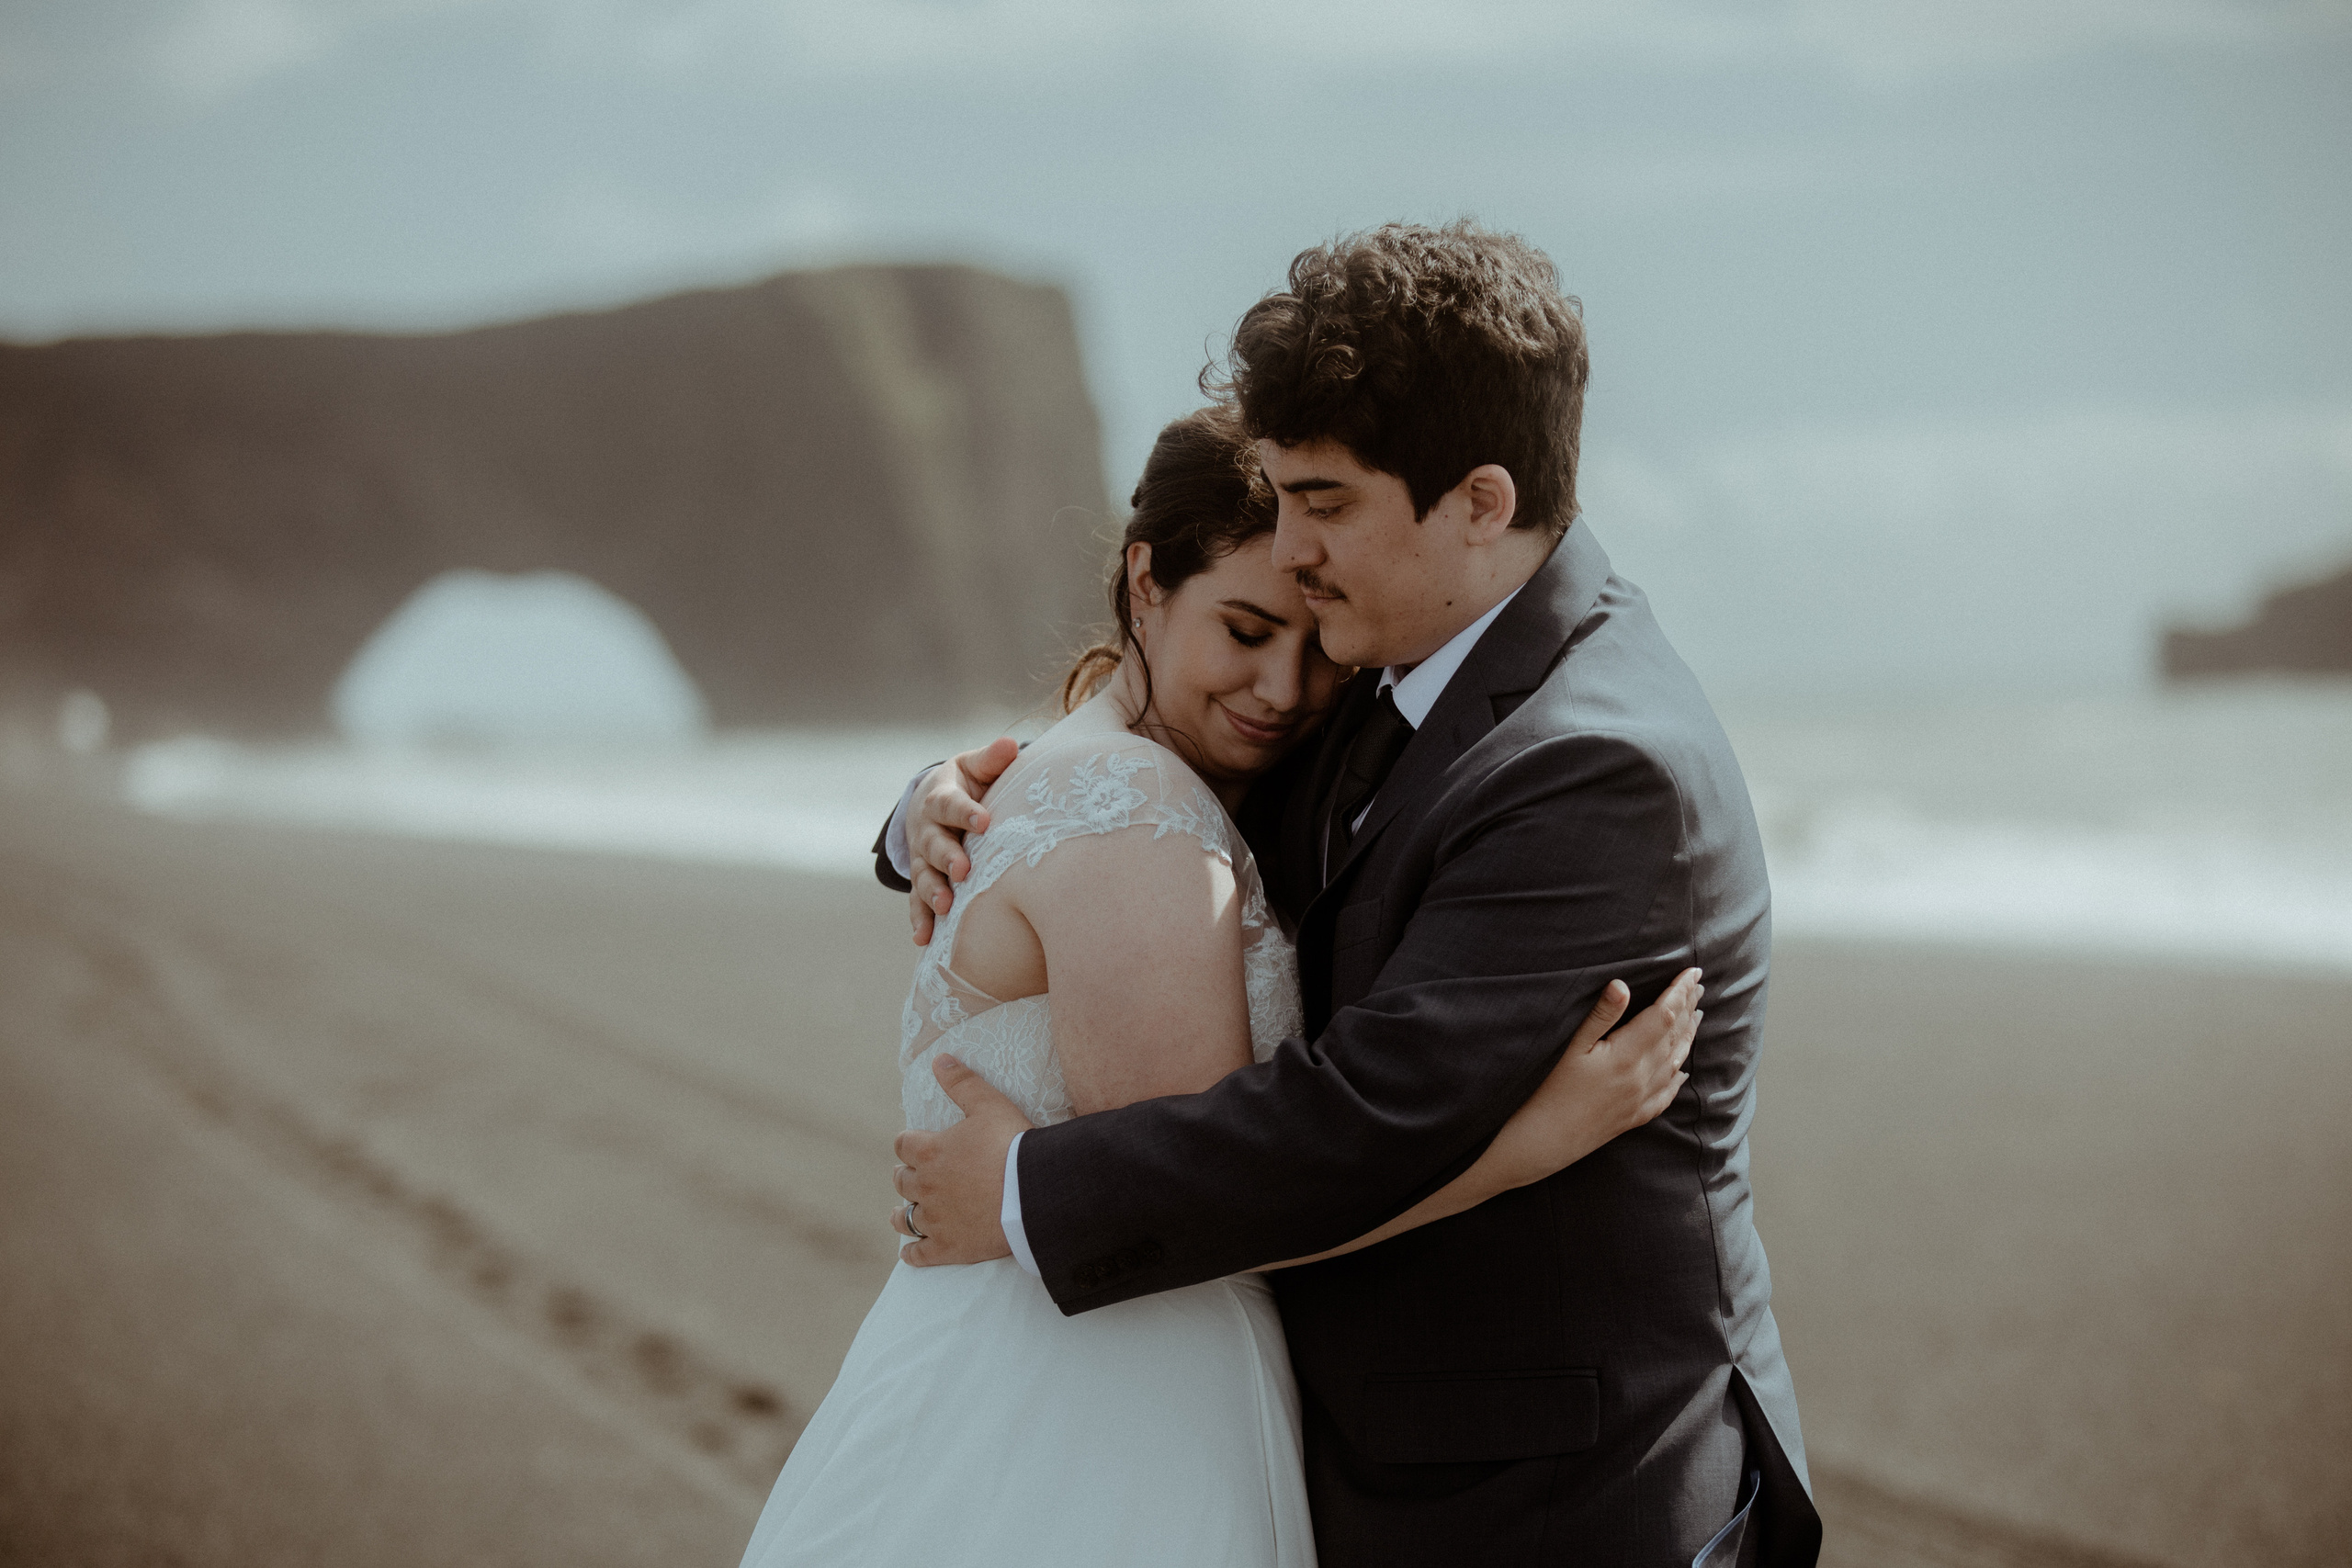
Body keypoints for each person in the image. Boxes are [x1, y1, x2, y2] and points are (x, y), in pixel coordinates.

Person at [888, 222, 1820, 1567]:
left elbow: (1373, 1113)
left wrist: (1028, 1190)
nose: (1289, 547)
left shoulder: (1593, 764)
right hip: (1370, 1465)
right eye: (1275, 500)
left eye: (1323, 503)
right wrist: (937, 805)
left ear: (1482, 504)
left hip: (1556, 1503)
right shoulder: (1384, 667)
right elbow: (1148, 793)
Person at [737, 403, 1702, 1568]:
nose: (1284, 690)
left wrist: (918, 809)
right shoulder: (1142, 817)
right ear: (1145, 580)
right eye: (1243, 630)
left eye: (1315, 647)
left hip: (1063, 1362)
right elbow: (1216, 1211)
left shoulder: (1129, 781)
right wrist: (1530, 1142)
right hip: (1095, 1404)